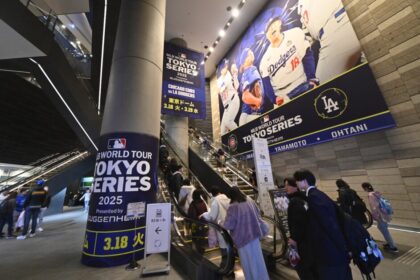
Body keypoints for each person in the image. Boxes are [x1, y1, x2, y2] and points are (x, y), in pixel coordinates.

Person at [293, 170, 352, 280]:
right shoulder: (319, 194)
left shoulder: (313, 197)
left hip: (329, 252)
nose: (296, 183)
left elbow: (330, 225)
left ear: (304, 181)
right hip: (333, 251)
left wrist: (344, 248)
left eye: (297, 180)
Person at [297, 0, 362, 82]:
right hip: (334, 33)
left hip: (338, 25)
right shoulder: (301, 8)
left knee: (321, 88)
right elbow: (308, 37)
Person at [259, 17, 318, 106]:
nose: (271, 29)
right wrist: (274, 99)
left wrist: (312, 77)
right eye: (268, 29)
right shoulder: (264, 61)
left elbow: (307, 55)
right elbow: (266, 85)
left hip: (303, 82)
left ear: (279, 23)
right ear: (266, 36)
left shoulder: (295, 33)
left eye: (273, 24)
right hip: (283, 95)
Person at [223, 187, 269, 280]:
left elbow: (228, 225)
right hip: (254, 235)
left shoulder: (233, 207)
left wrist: (220, 222)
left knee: (248, 263)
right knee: (258, 260)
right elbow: (258, 213)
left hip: (242, 238)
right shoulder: (249, 200)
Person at [284, 178, 318, 280]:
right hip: (310, 240)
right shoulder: (303, 198)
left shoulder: (295, 201)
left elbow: (298, 222)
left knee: (304, 268)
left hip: (301, 242)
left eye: (288, 185)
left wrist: (294, 238)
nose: (285, 188)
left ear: (295, 186)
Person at [362, 182, 398, 253]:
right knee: (383, 229)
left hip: (380, 216)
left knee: (385, 231)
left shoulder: (370, 195)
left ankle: (393, 247)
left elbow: (374, 207)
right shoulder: (375, 193)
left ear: (365, 188)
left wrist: (375, 217)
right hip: (384, 214)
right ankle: (389, 243)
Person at [200, 186, 230, 261]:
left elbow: (212, 216)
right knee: (229, 242)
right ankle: (230, 261)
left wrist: (203, 214)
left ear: (212, 194)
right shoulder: (227, 199)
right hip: (229, 224)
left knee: (223, 244)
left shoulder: (215, 201)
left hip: (221, 226)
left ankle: (225, 262)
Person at [239, 48, 265, 126]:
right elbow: (245, 97)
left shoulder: (246, 73)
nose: (251, 54)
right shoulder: (249, 72)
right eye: (248, 55)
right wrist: (258, 101)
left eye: (251, 52)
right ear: (244, 62)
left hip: (248, 114)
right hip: (250, 114)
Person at [217, 59, 240, 134]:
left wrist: (235, 74)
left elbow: (219, 90)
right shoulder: (219, 80)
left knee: (228, 122)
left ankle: (241, 134)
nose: (224, 68)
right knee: (222, 131)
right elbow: (218, 90)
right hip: (227, 107)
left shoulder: (228, 75)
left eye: (225, 66)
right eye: (223, 67)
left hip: (233, 101)